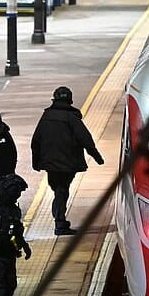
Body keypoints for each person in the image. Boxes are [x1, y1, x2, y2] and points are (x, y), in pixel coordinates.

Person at [31, 86, 104, 236]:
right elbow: (85, 139)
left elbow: (35, 141)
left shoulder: (47, 116)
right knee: (62, 190)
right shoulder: (72, 117)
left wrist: (36, 162)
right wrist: (96, 156)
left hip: (50, 163)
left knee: (58, 189)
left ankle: (59, 219)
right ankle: (59, 223)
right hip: (68, 163)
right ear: (69, 100)